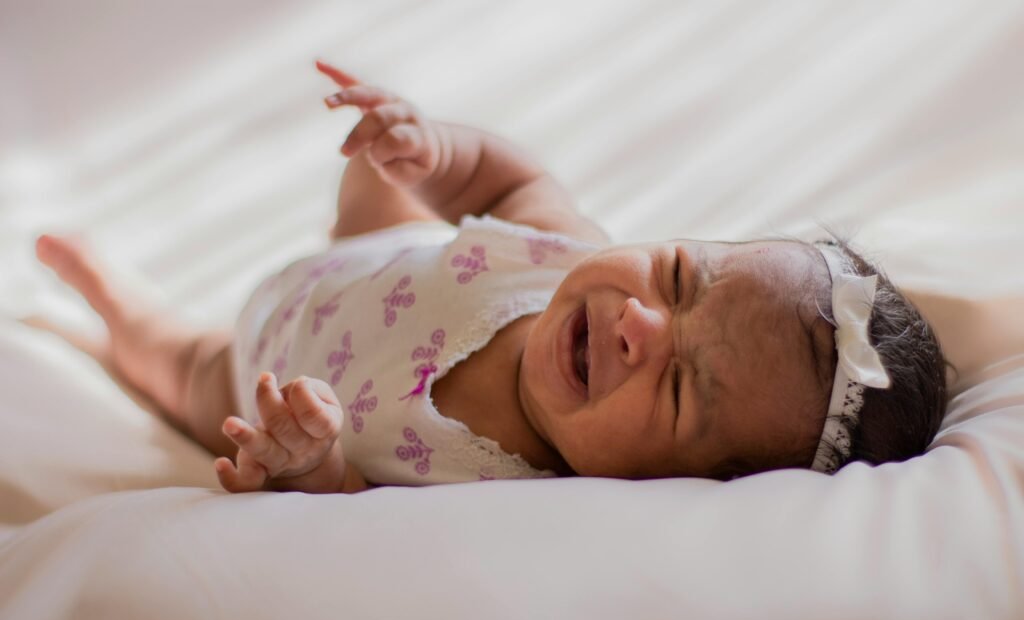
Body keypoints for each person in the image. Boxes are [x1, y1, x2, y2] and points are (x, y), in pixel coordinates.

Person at [34, 61, 948, 495]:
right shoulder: (559, 252)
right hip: (370, 249)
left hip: (256, 376)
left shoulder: (503, 492)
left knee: (171, 361)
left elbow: (347, 516)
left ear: (675, 484)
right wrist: (431, 153)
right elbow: (508, 182)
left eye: (679, 387)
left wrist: (308, 460)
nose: (640, 322)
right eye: (677, 275)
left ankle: (115, 297)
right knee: (378, 177)